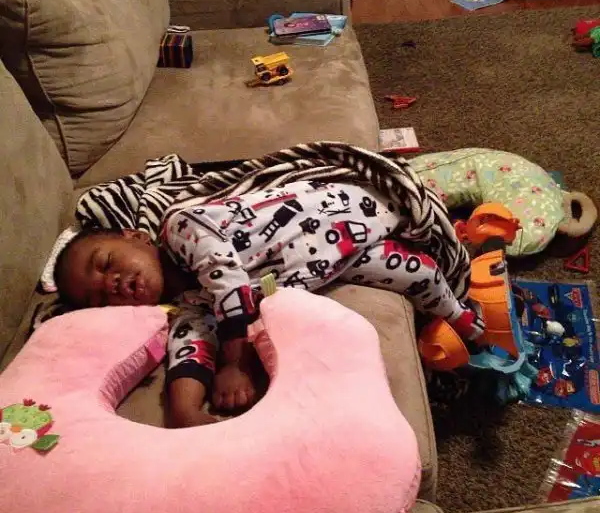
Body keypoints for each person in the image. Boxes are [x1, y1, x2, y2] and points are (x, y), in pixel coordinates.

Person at [54, 181, 484, 428]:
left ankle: (464, 309)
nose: (112, 284)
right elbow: (188, 343)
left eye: (106, 264)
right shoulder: (184, 305)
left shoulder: (180, 228)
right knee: (418, 274)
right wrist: (184, 410)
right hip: (341, 256)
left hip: (346, 207)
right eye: (99, 298)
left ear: (135, 237)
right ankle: (464, 322)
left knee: (426, 237)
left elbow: (225, 277)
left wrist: (235, 363)